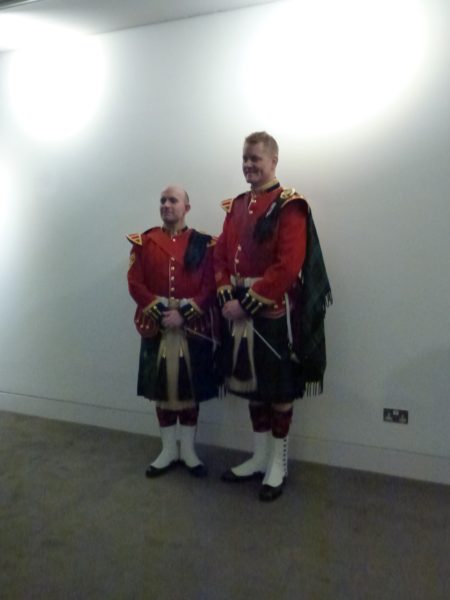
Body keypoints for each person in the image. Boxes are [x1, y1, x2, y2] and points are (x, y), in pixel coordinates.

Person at [214, 132, 332, 501]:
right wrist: (224, 289)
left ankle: (278, 465)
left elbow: (288, 266)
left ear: (273, 161)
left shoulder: (290, 205)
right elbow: (220, 255)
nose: (249, 165)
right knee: (254, 389)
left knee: (278, 391)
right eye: (245, 158)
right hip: (238, 310)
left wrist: (246, 304)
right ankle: (259, 457)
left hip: (273, 314)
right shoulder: (236, 205)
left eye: (256, 159)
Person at [127, 185, 218, 478]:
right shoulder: (144, 242)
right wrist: (160, 311)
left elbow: (210, 286)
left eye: (173, 200)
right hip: (156, 326)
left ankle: (188, 451)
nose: (166, 205)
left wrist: (185, 313)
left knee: (190, 390)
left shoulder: (204, 244)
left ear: (186, 208)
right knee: (161, 390)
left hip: (193, 326)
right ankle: (168, 450)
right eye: (163, 200)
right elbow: (135, 283)